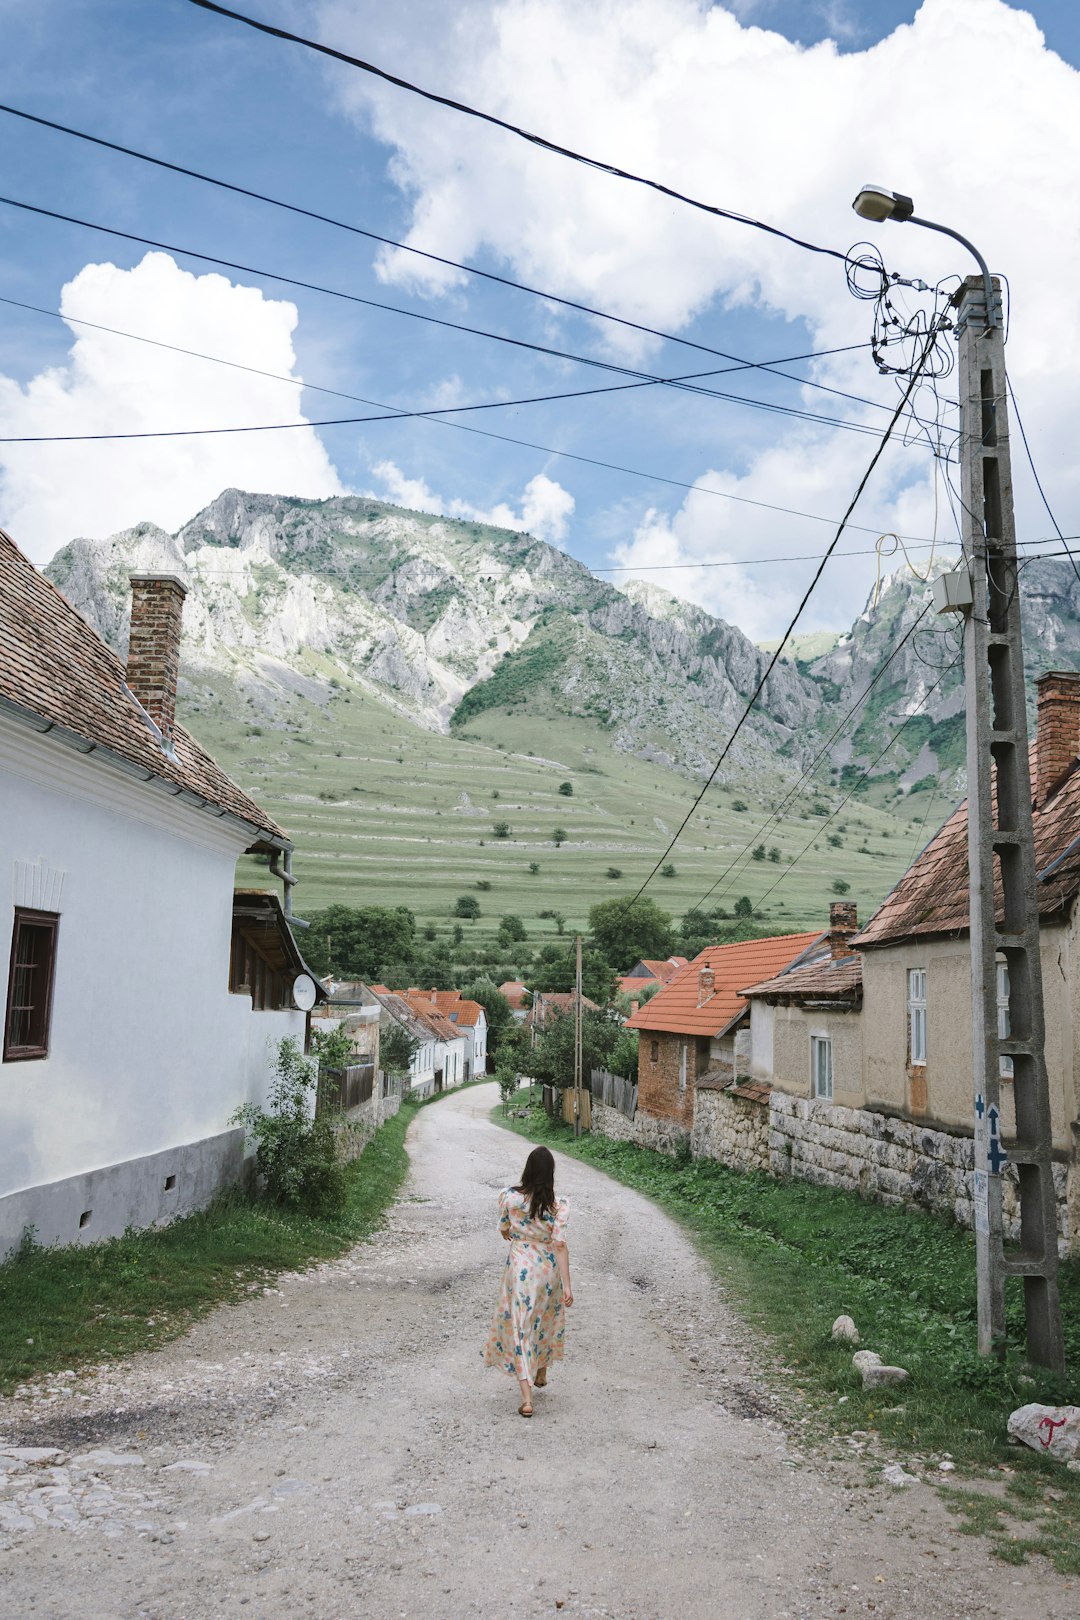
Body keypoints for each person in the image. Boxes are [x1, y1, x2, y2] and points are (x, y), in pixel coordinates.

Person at [482, 1145, 573, 1417]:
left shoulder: (509, 1197)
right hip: (547, 1269)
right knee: (545, 1317)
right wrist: (567, 1285)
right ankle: (541, 1372)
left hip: (521, 1267)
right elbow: (559, 1245)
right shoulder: (558, 1206)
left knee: (521, 1326)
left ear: (528, 1170)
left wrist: (517, 1234)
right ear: (550, 1173)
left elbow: (504, 1229)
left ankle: (526, 1399)